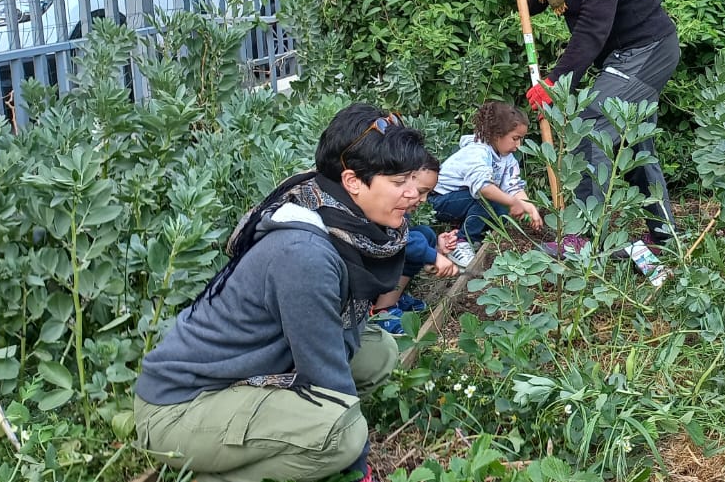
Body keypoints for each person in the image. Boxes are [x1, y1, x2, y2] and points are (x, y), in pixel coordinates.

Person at [134, 103, 431, 482]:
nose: (414, 194)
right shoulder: (305, 254)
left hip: (247, 369)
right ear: (353, 181)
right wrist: (357, 466)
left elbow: (340, 338)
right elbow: (326, 377)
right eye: (399, 182)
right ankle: (205, 475)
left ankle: (274, 437)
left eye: (412, 179)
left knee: (378, 352)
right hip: (179, 407)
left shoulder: (335, 211)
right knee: (342, 433)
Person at [501, 0, 679, 254]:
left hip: (646, 50)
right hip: (627, 53)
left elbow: (595, 24)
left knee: (590, 127)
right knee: (634, 145)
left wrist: (556, 80)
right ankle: (666, 238)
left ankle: (580, 240)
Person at [430, 101, 544, 263]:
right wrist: (512, 202)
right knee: (491, 199)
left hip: (464, 200)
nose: (518, 145)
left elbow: (513, 186)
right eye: (515, 138)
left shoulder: (507, 159)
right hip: (439, 201)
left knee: (504, 212)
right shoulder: (477, 152)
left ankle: (465, 236)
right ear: (497, 135)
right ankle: (463, 242)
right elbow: (483, 188)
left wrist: (528, 206)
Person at [370, 153, 462, 336]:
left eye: (428, 193)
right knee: (416, 241)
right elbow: (397, 240)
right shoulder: (380, 204)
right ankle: (380, 312)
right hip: (365, 269)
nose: (424, 199)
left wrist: (436, 250)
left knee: (425, 234)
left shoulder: (401, 209)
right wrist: (433, 256)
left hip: (377, 265)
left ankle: (392, 299)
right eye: (422, 191)